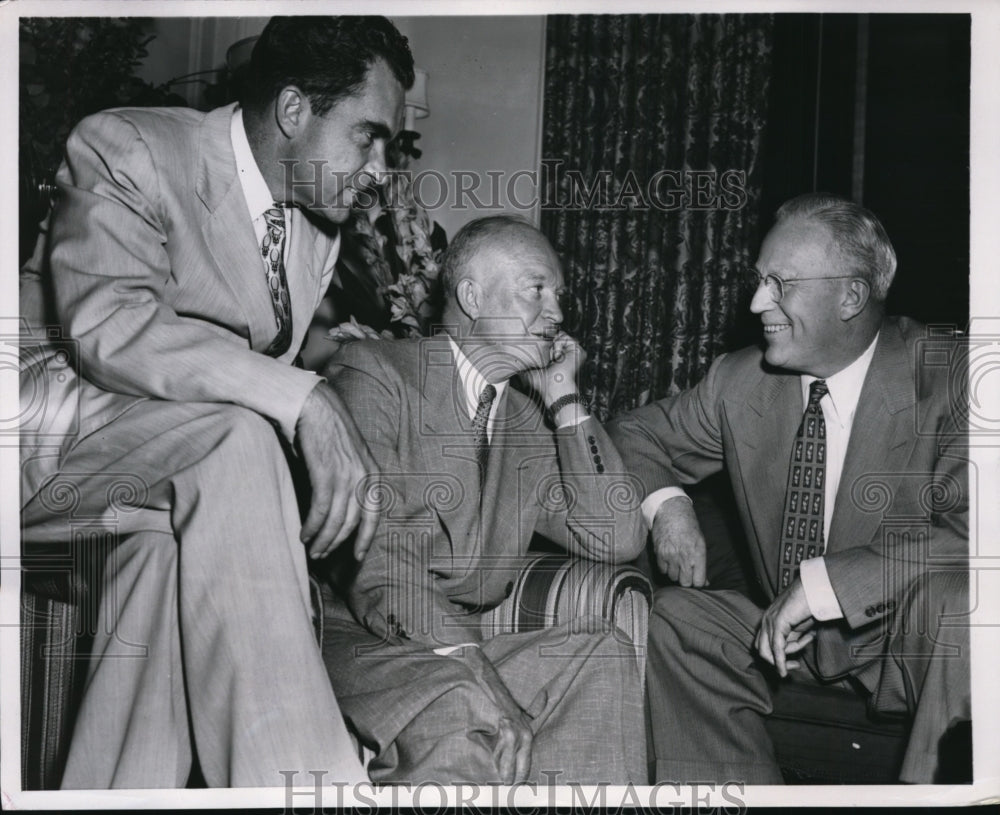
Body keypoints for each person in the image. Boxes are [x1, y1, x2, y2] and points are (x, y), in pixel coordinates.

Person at [18, 16, 414, 788]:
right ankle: (315, 787)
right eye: (369, 137)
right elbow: (111, 327)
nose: (381, 168)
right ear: (295, 110)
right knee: (234, 441)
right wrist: (305, 397)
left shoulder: (313, 228)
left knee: (166, 560)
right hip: (39, 445)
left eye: (389, 147)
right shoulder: (128, 145)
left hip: (151, 489)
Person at [608, 193, 969, 784]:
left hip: (907, 648)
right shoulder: (739, 380)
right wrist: (669, 507)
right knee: (677, 620)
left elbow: (974, 533)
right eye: (758, 281)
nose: (756, 303)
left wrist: (824, 586)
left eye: (780, 284)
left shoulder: (954, 376)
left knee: (961, 600)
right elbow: (633, 433)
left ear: (851, 295)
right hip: (784, 640)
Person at [318, 215, 648, 784]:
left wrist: (565, 399)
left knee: (602, 652)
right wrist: (479, 675)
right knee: (461, 707)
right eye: (537, 289)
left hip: (459, 650)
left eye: (559, 295)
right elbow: (374, 564)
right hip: (361, 641)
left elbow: (616, 535)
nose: (559, 313)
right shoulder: (376, 372)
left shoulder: (526, 421)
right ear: (471, 296)